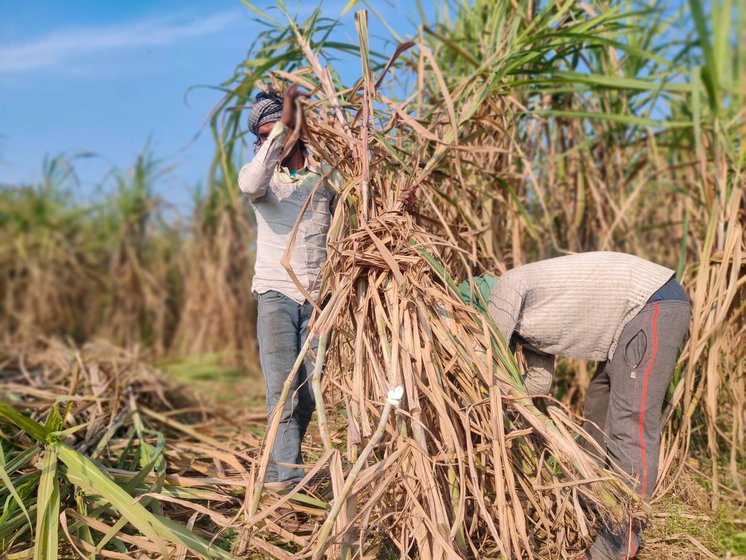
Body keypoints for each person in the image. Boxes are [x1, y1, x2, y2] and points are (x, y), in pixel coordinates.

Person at [470, 251, 690, 559]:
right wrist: (512, 412)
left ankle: (620, 541)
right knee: (598, 409)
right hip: (628, 324)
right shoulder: (526, 324)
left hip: (652, 304)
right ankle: (588, 506)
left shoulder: (506, 288)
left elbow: (487, 355)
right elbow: (537, 383)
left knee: (630, 423)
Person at [238, 85, 339, 492]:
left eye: (274, 132)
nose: (267, 141)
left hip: (318, 298)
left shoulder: (324, 178)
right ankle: (286, 480)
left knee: (310, 391)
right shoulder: (259, 178)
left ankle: (283, 474)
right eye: (261, 137)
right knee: (281, 390)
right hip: (276, 296)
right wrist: (278, 133)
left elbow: (359, 200)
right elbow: (249, 185)